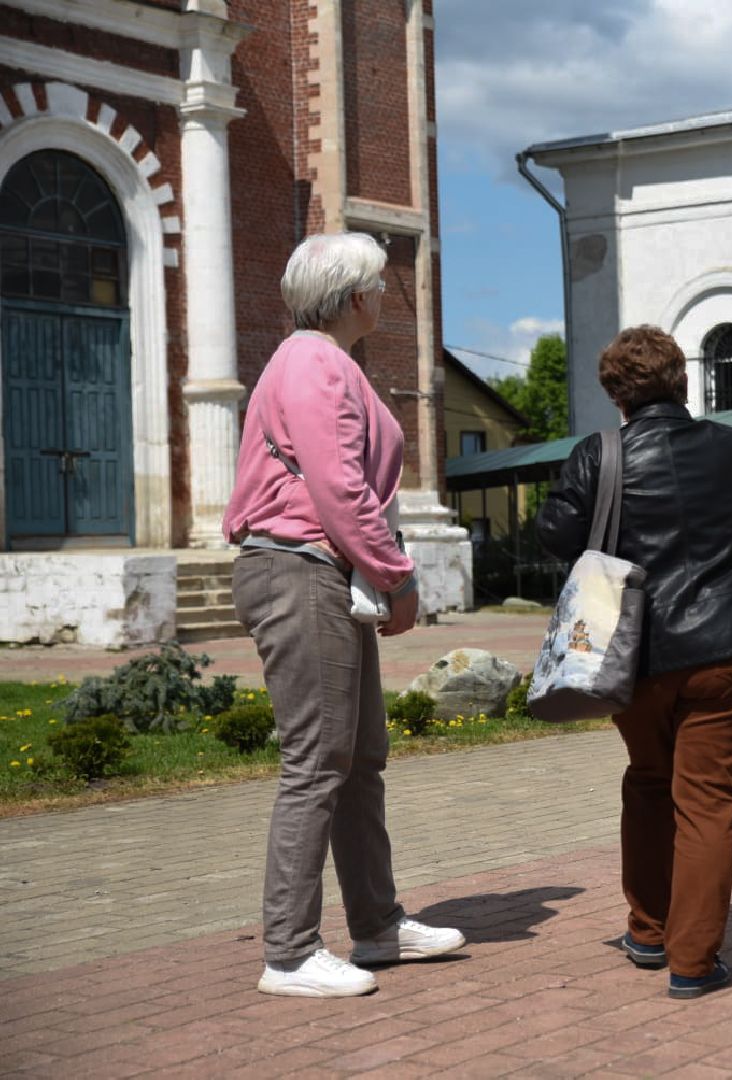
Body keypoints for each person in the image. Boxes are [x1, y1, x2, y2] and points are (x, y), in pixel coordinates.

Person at [223, 232, 464, 997]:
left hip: (318, 571)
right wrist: (398, 577)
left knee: (358, 759)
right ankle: (289, 954)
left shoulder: (327, 360)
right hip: (297, 571)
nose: (387, 296)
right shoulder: (315, 361)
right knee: (318, 762)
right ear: (353, 295)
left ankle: (378, 926)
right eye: (380, 286)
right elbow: (337, 487)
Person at [538, 325, 732, 999]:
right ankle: (694, 962)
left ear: (616, 393)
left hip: (634, 654)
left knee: (649, 781)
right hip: (724, 649)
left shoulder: (600, 455)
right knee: (706, 801)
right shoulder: (727, 446)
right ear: (683, 381)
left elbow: (554, 533)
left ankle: (649, 931)